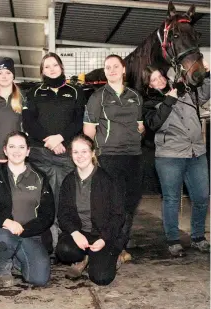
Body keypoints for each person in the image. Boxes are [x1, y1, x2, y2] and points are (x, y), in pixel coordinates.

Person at [142, 60, 210, 257]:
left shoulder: (185, 90)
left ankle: (198, 237)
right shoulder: (149, 103)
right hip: (169, 156)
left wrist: (206, 74)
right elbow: (154, 123)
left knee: (202, 196)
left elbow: (205, 92)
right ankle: (173, 240)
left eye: (160, 76)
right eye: (154, 80)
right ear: (149, 85)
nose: (159, 80)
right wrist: (169, 100)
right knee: (171, 199)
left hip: (196, 151)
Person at [83, 54, 144, 261]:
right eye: (107, 67)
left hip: (133, 157)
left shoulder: (135, 96)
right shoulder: (97, 97)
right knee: (112, 205)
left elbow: (140, 125)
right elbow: (88, 131)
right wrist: (92, 156)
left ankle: (120, 246)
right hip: (108, 157)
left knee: (129, 205)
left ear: (124, 69)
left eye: (115, 66)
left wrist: (137, 133)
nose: (112, 70)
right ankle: (106, 246)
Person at [22, 52, 85, 248]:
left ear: (61, 67)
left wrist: (61, 138)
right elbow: (28, 122)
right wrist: (48, 140)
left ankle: (66, 241)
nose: (51, 69)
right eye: (47, 66)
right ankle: (44, 241)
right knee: (43, 197)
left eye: (54, 65)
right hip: (41, 153)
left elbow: (78, 121)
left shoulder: (75, 91)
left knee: (67, 196)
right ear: (42, 71)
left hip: (66, 153)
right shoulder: (33, 93)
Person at [0, 131, 55, 287]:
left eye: (21, 147)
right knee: (2, 238)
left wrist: (25, 229)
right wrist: (5, 222)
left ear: (28, 151)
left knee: (39, 279)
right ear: (5, 150)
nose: (17, 151)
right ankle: (3, 268)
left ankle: (17, 259)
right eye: (12, 146)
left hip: (30, 234)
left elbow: (47, 214)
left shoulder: (40, 176)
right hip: (3, 232)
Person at [56, 135, 125, 285]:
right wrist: (75, 233)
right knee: (64, 250)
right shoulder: (68, 181)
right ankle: (83, 258)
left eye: (84, 151)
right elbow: (63, 213)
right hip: (81, 234)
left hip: (102, 235)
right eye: (75, 152)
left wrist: (104, 238)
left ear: (93, 153)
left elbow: (118, 215)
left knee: (101, 278)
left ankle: (112, 255)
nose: (80, 156)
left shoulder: (107, 180)